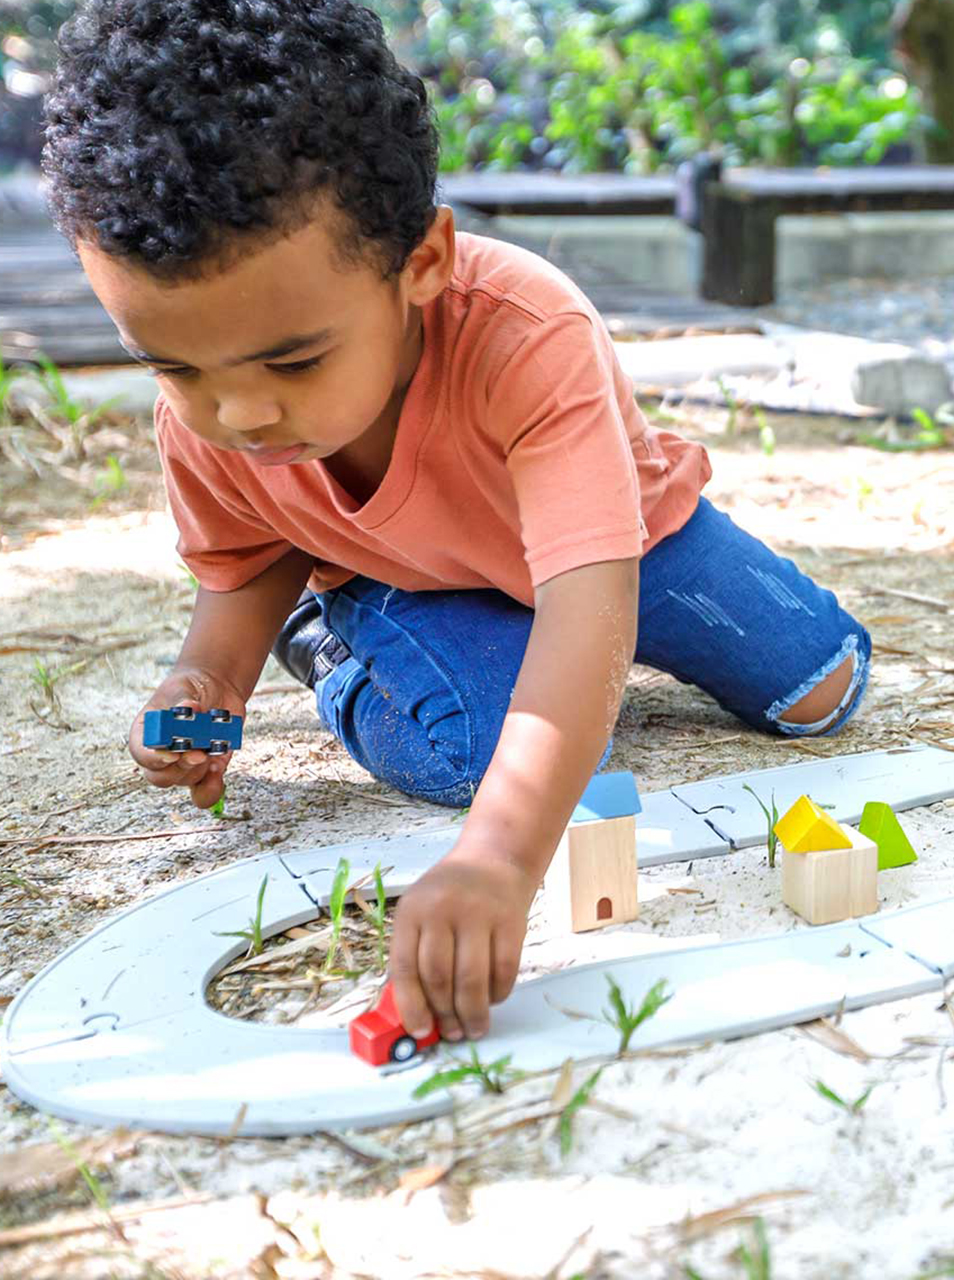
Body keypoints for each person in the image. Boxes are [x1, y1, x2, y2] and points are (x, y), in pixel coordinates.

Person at [42, 0, 871, 1046]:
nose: (239, 413)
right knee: (496, 754)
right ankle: (339, 645)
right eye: (174, 366)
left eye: (294, 360)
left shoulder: (529, 329)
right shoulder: (209, 418)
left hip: (617, 542)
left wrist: (497, 860)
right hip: (401, 575)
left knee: (822, 684)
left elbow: (590, 595)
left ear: (422, 264)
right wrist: (209, 681)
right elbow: (244, 560)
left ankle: (477, 653)